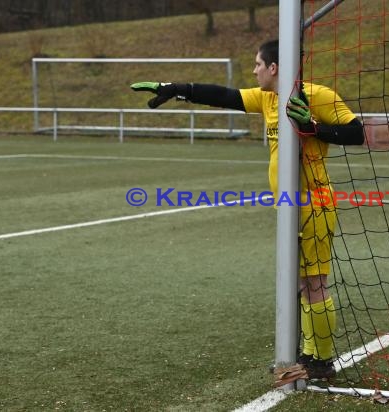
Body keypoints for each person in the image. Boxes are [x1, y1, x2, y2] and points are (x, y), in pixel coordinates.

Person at [131, 39, 364, 381]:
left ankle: (323, 362)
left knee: (315, 284)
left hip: (314, 203)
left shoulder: (319, 95)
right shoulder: (267, 98)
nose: (253, 70)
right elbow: (223, 96)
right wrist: (176, 88)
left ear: (274, 67)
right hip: (289, 207)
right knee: (302, 283)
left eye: (258, 64)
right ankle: (310, 355)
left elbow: (356, 132)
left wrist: (314, 128)